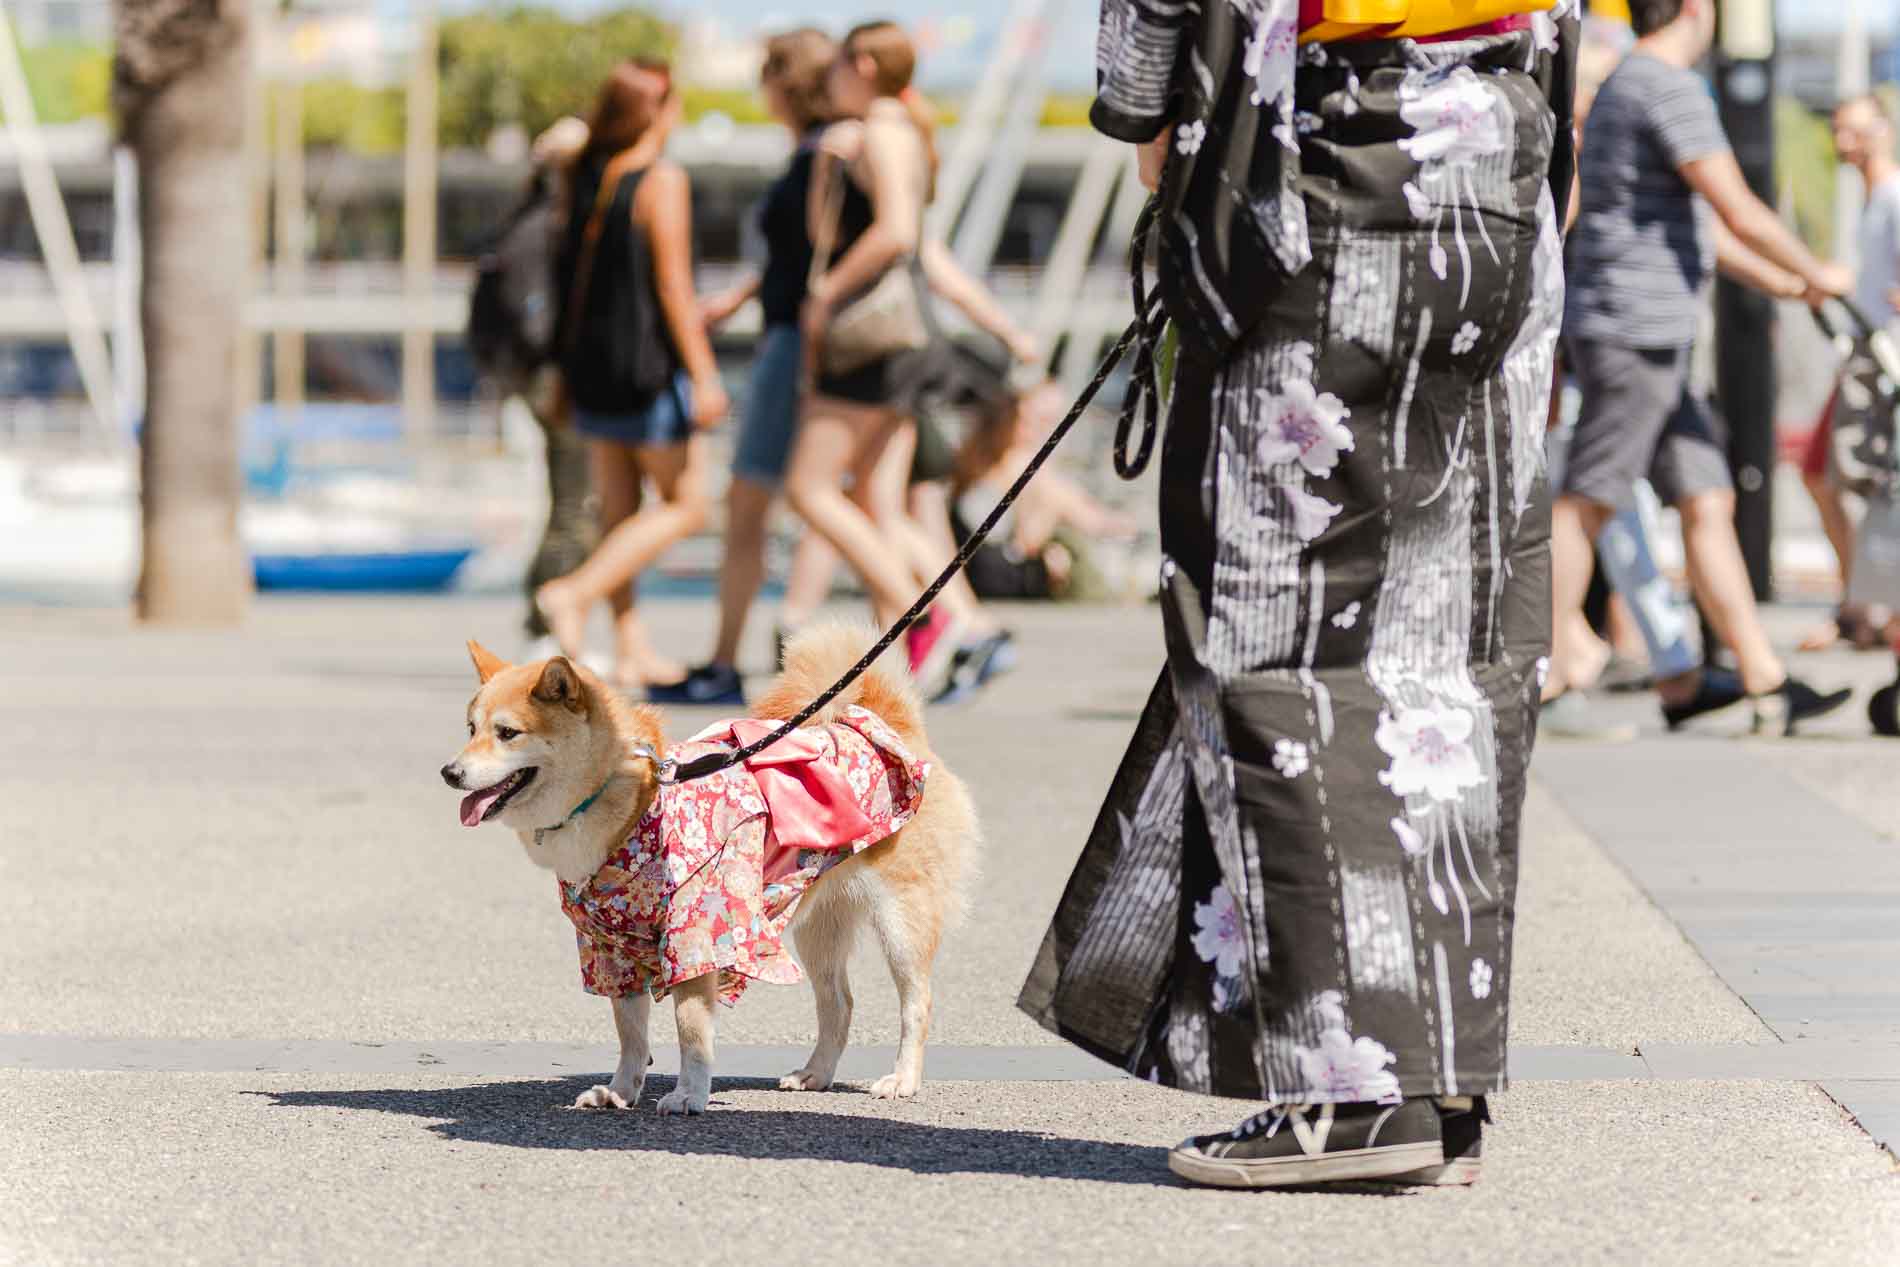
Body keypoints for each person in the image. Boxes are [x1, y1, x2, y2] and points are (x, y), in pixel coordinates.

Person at [1019, 0, 1578, 1187]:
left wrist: (1151, 131)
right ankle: (1436, 1082)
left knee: (1280, 628)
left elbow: (1152, 38)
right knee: (1451, 621)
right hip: (1498, 165)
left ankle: (1356, 1087)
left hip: (1326, 159)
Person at [1550, 0, 1851, 735]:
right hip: (1635, 328)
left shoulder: (1628, 82)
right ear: (1695, 9)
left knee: (1707, 497)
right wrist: (1822, 271)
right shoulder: (1667, 85)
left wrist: (1786, 282)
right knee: (1588, 496)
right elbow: (1739, 207)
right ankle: (1553, 663)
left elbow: (1701, 228)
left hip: (1646, 329)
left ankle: (1756, 680)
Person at [784, 21, 1037, 660]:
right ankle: (914, 648)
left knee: (809, 489)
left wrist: (826, 292)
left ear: (864, 65)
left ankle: (924, 620)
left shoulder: (885, 131)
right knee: (877, 499)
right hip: (901, 339)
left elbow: (898, 233)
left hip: (873, 338)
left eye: (839, 67)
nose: (830, 81)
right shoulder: (887, 134)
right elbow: (874, 235)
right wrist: (829, 170)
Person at [649, 29, 837, 708]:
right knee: (853, 499)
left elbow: (817, 260)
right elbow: (796, 261)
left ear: (785, 84)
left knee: (751, 501)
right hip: (797, 336)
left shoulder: (825, 154)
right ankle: (936, 624)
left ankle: (725, 659)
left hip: (796, 344)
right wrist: (739, 297)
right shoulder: (823, 150)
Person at [534, 61, 731, 690]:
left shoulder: (584, 173)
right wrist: (704, 374)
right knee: (687, 506)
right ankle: (574, 593)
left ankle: (630, 650)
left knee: (622, 516)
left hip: (592, 370)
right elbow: (673, 287)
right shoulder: (660, 179)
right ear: (659, 111)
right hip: (646, 369)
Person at [1798, 93, 1900, 652]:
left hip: (1883, 363)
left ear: (1881, 130)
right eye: (1837, 130)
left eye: (1854, 131)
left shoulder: (1892, 195)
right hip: (1866, 357)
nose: (1843, 142)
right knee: (1827, 475)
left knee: (1856, 482)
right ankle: (1863, 604)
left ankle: (1868, 607)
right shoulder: (1872, 199)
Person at [950, 379, 1138, 602]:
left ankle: (1103, 527)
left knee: (1058, 508)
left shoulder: (981, 451)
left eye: (1048, 421)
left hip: (987, 560)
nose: (1040, 430)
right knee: (1054, 498)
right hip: (993, 566)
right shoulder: (1011, 460)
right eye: (1035, 420)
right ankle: (1105, 530)